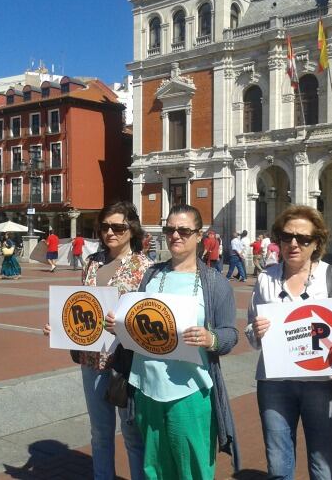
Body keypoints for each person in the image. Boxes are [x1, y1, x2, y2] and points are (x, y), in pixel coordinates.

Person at [107, 203, 240, 478]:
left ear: (199, 234)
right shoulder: (151, 275)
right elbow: (140, 324)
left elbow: (230, 334)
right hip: (146, 388)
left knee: (192, 469)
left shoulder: (214, 283)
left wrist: (210, 337)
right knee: (154, 469)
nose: (175, 236)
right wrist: (119, 327)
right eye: (169, 230)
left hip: (189, 391)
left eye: (183, 230)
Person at [44, 201, 150, 480]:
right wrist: (60, 326)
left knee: (132, 433)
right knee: (100, 432)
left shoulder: (145, 267)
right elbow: (82, 305)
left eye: (118, 227)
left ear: (132, 228)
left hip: (126, 362)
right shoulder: (92, 263)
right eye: (105, 227)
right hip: (92, 359)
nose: (110, 232)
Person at [246, 205, 332, 479]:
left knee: (323, 465)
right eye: (287, 236)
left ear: (316, 243)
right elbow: (251, 331)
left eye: (303, 238)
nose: (294, 243)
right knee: (278, 466)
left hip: (322, 383)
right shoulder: (266, 279)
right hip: (274, 383)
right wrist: (255, 331)